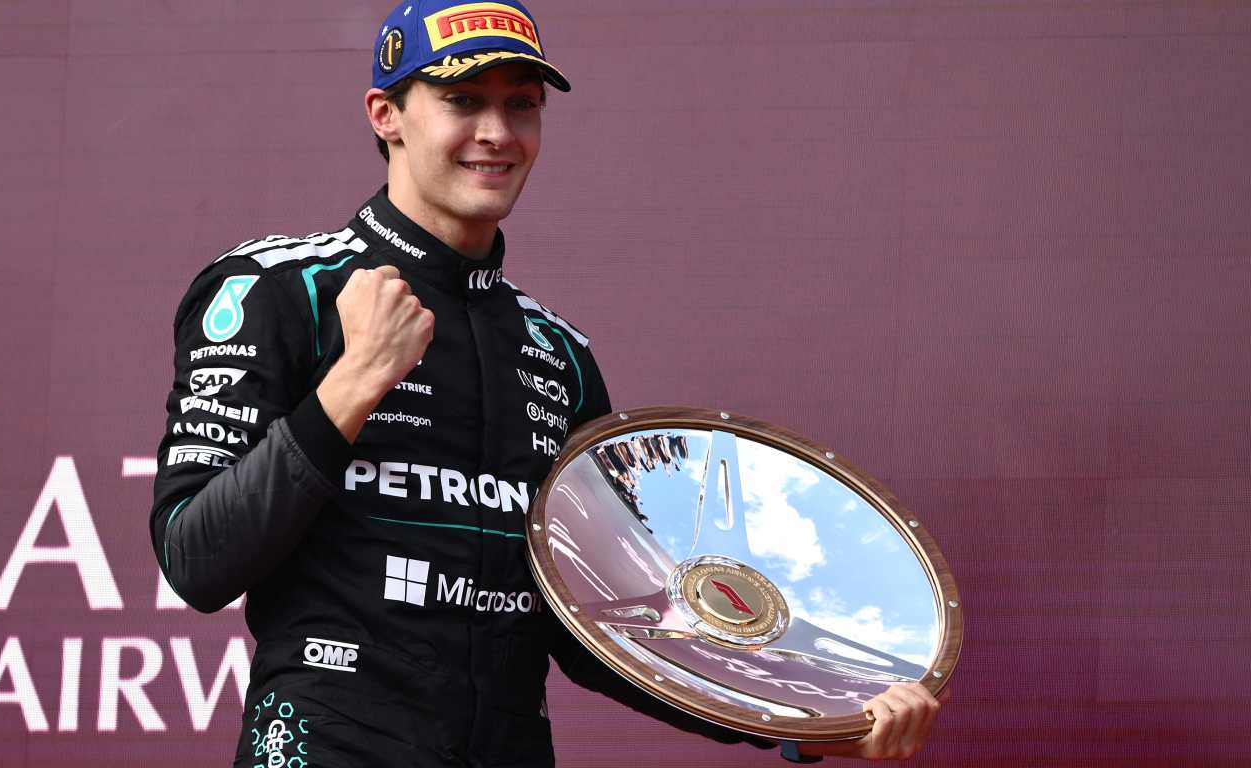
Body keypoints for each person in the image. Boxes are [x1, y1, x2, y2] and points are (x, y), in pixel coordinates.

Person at [150, 1, 942, 765]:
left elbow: (601, 635)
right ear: (385, 114)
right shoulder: (278, 290)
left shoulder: (557, 353)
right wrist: (355, 381)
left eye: (520, 106)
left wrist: (807, 722)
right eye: (462, 100)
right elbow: (196, 559)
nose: (496, 133)